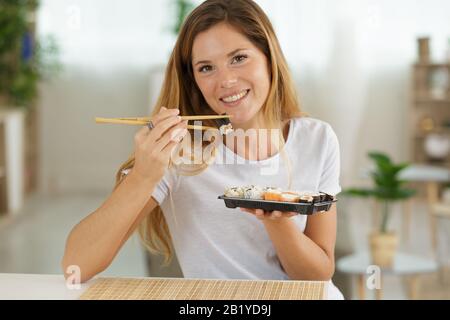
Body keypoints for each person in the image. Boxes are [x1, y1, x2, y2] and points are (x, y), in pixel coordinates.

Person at [62, 0, 343, 299]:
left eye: (238, 58)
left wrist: (277, 221)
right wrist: (143, 176)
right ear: (193, 80)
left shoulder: (318, 139)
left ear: (268, 56)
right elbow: (76, 267)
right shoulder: (181, 151)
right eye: (206, 67)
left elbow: (318, 276)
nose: (226, 80)